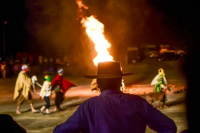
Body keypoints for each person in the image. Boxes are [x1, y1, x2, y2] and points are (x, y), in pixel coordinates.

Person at [53, 61, 177, 133]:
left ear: (99, 83)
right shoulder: (138, 103)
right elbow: (170, 127)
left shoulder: (88, 107)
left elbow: (59, 132)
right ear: (120, 82)